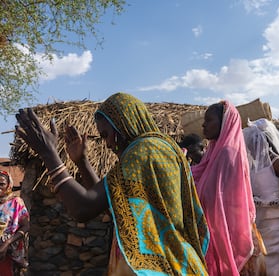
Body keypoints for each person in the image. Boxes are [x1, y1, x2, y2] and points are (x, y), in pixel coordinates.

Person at [16, 92, 209, 275]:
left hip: (156, 269)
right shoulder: (159, 149)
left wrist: (49, 154)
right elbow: (113, 204)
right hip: (174, 262)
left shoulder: (142, 152)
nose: (107, 144)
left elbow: (83, 208)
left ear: (122, 125)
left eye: (106, 135)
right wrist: (82, 162)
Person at [191, 100, 255, 275]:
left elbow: (218, 198)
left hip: (222, 230)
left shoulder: (227, 153)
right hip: (212, 228)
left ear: (225, 122)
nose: (204, 124)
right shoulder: (214, 151)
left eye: (209, 120)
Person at [243, 118, 279, 274]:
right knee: (260, 264)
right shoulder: (251, 166)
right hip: (258, 221)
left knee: (276, 264)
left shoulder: (278, 163)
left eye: (255, 145)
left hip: (278, 223)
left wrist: (271, 202)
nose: (252, 150)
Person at [0, 171, 29, 276]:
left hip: (9, 251)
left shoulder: (16, 202)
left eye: (2, 184)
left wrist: (7, 243)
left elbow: (26, 226)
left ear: (8, 185)